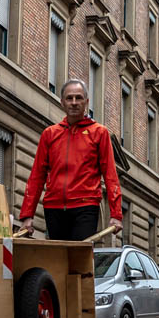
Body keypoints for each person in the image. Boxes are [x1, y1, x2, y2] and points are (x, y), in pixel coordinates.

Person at [18, 79, 122, 241]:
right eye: (69, 98)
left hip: (85, 206)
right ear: (62, 103)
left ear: (86, 102)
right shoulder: (49, 134)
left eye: (79, 98)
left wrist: (116, 214)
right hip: (53, 208)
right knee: (58, 261)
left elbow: (110, 175)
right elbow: (36, 177)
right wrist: (27, 215)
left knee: (79, 260)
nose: (74, 103)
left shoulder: (99, 133)